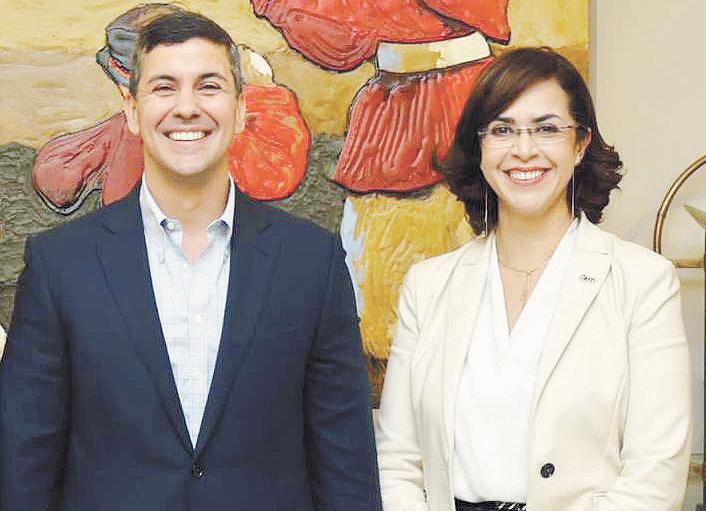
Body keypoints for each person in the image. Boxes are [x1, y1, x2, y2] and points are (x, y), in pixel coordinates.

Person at [0, 11, 380, 511]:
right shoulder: (60, 265)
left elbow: (345, 456)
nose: (186, 108)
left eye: (209, 86)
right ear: (132, 109)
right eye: (164, 87)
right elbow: (24, 460)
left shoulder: (311, 262)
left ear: (240, 110)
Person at [376, 47, 691, 511]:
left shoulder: (643, 283)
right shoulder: (428, 286)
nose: (524, 150)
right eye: (502, 130)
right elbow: (397, 462)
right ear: (480, 148)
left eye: (547, 129)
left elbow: (655, 477)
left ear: (580, 144)